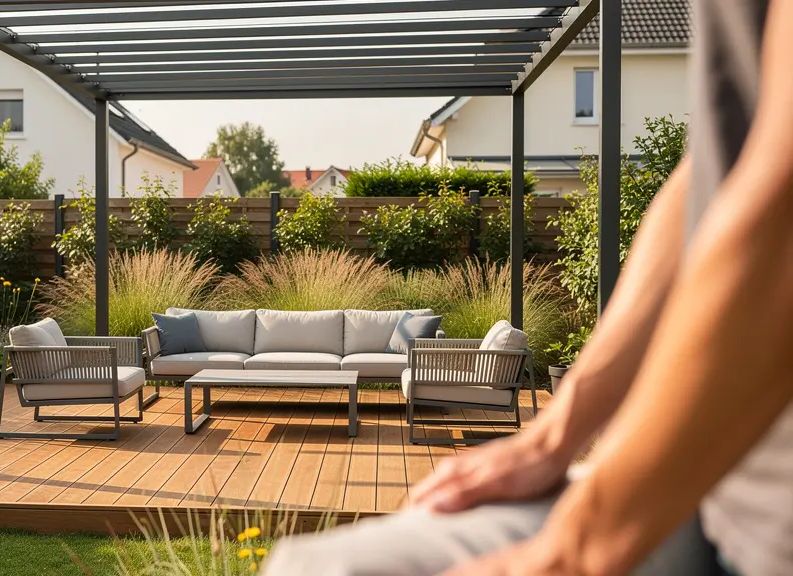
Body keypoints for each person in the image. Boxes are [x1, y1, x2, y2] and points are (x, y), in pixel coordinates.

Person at [263, 1, 793, 574]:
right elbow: (715, 172)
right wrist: (554, 436)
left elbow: (778, 211)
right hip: (714, 495)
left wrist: (583, 542)